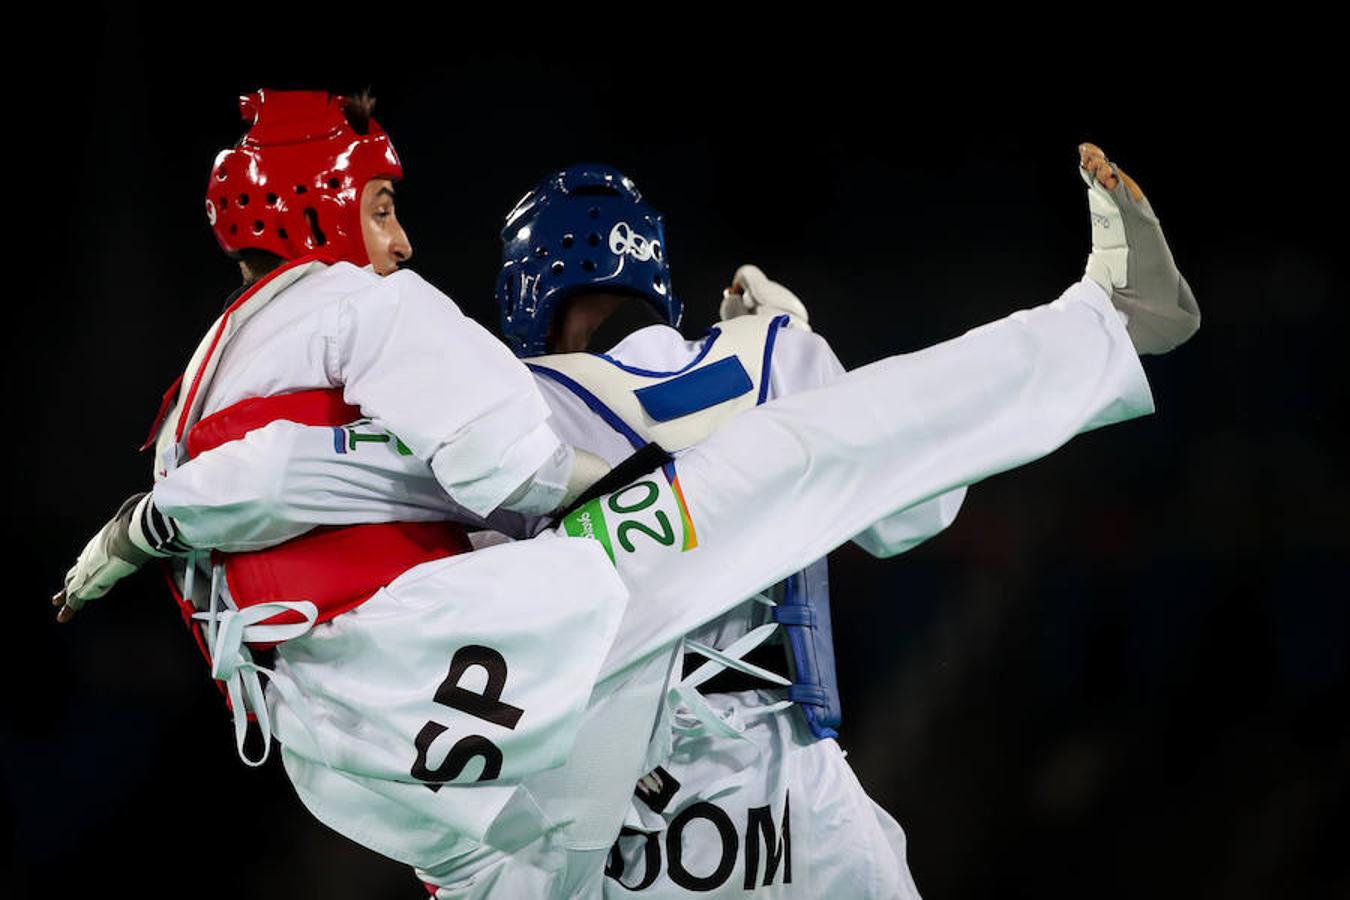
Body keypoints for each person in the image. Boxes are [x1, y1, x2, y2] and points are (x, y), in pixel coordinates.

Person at [56, 125, 1197, 898]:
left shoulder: (512, 396)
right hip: (795, 806)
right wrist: (807, 355)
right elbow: (916, 514)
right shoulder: (773, 355)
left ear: (520, 294)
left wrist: (164, 515)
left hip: (600, 832)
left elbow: (333, 476)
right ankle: (1101, 326)